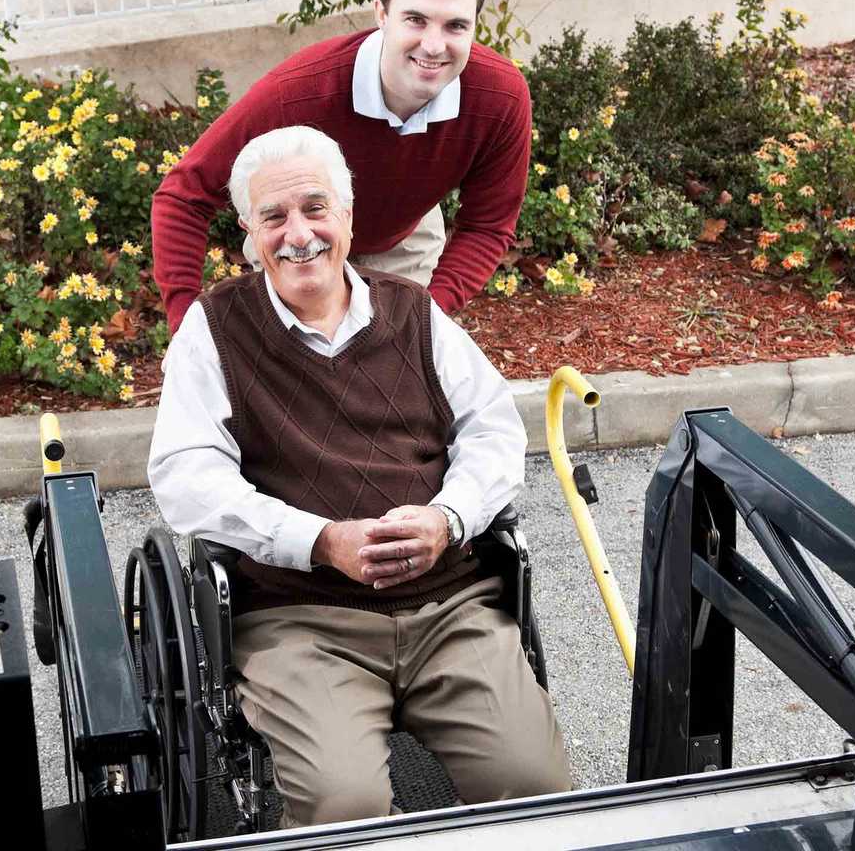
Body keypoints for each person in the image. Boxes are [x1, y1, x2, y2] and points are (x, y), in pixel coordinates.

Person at [147, 125, 571, 828]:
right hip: (301, 621)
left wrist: (450, 518)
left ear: (347, 216)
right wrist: (316, 539)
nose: (298, 234)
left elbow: (494, 429)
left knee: (537, 790)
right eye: (273, 218)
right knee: (347, 811)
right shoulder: (214, 330)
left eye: (315, 209)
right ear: (250, 234)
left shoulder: (412, 313)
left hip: (448, 609)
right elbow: (187, 477)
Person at [150, 0, 532, 333]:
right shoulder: (298, 94)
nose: (434, 45)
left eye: (455, 25)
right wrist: (187, 330)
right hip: (299, 236)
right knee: (300, 374)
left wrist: (428, 315)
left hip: (403, 240)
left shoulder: (501, 97)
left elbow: (487, 225)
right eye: (416, 20)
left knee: (394, 367)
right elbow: (183, 195)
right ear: (382, 14)